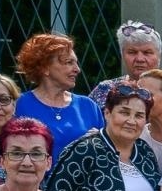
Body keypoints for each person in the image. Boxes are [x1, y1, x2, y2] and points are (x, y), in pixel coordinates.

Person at [13, 33, 101, 162]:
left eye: (76, 63)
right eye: (69, 62)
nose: (77, 69)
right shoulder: (20, 105)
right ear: (45, 68)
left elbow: (105, 152)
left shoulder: (88, 106)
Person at [90, 20, 162, 109]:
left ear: (159, 55)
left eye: (147, 52)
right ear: (122, 55)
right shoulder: (105, 90)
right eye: (132, 52)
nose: (139, 59)